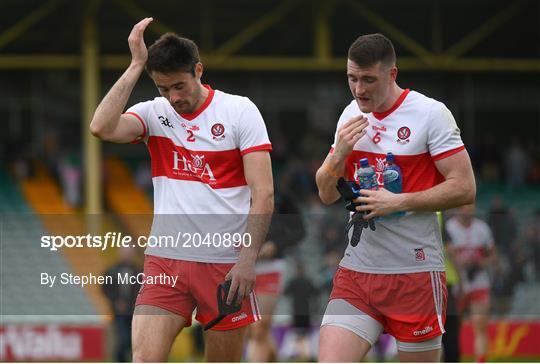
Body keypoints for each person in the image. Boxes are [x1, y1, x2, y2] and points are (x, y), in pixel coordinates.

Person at [89, 18, 274, 362]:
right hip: (166, 262)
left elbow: (263, 193)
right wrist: (136, 65)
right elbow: (100, 127)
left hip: (225, 265)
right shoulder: (154, 114)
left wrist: (248, 260)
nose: (173, 98)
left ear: (199, 70)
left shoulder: (239, 111)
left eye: (179, 86)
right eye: (162, 89)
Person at [315, 33, 476, 362]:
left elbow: (465, 187)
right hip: (357, 274)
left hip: (414, 274)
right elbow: (326, 193)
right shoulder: (350, 115)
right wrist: (338, 156)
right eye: (352, 78)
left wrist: (398, 202)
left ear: (392, 74)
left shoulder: (431, 114)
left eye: (368, 79)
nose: (359, 89)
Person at [246, 190, 305, 362]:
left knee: (258, 327)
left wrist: (276, 245)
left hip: (271, 266)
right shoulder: (232, 189)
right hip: (238, 267)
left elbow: (299, 230)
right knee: (255, 330)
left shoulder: (281, 195)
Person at [445, 204, 496, 363]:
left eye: (471, 207)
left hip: (478, 282)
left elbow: (493, 256)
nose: (468, 211)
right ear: (458, 209)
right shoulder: (449, 228)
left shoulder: (482, 228)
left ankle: (480, 360)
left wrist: (480, 262)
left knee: (480, 325)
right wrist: (459, 264)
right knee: (452, 329)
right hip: (455, 284)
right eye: (464, 207)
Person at [101, 247, 141, 362]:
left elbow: (142, 290)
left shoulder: (138, 271)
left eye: (129, 253)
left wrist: (132, 304)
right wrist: (116, 301)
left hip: (134, 312)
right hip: (118, 313)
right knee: (123, 339)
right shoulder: (111, 270)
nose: (127, 255)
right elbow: (105, 288)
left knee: (131, 341)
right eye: (125, 253)